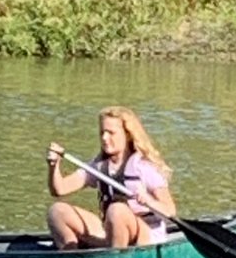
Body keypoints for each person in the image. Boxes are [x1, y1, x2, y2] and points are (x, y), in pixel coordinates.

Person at [46, 106, 176, 249]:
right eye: (102, 132)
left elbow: (170, 211)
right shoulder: (99, 166)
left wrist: (149, 200)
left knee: (116, 211)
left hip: (145, 235)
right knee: (57, 211)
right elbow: (59, 189)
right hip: (109, 232)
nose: (104, 138)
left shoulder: (144, 167)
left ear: (127, 135)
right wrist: (54, 166)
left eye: (111, 133)